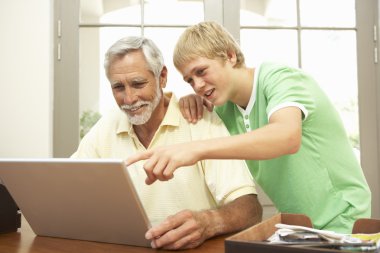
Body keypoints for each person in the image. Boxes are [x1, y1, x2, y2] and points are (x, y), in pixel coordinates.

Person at [126, 21, 372, 234]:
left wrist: (196, 148)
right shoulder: (224, 109)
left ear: (230, 56)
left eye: (201, 71)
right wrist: (192, 100)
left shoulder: (279, 78)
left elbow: (286, 136)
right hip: (298, 227)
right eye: (190, 80)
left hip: (344, 221)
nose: (197, 85)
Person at [71, 35, 263, 250]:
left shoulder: (200, 121)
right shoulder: (106, 126)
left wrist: (208, 222)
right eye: (118, 87)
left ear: (162, 77)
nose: (129, 99)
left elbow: (250, 208)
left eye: (138, 84)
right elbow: (67, 187)